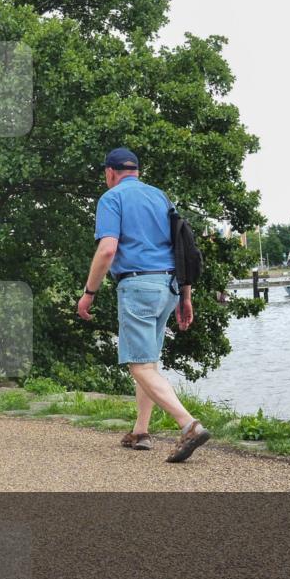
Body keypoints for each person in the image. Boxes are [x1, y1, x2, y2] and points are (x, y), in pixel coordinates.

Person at [76, 148, 210, 463]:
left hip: (138, 286)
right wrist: (186, 296)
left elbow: (107, 250)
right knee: (148, 363)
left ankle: (189, 425)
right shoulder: (160, 197)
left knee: (137, 364)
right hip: (170, 286)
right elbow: (184, 247)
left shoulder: (111, 199)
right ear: (136, 170)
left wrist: (89, 293)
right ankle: (141, 431)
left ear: (110, 172)